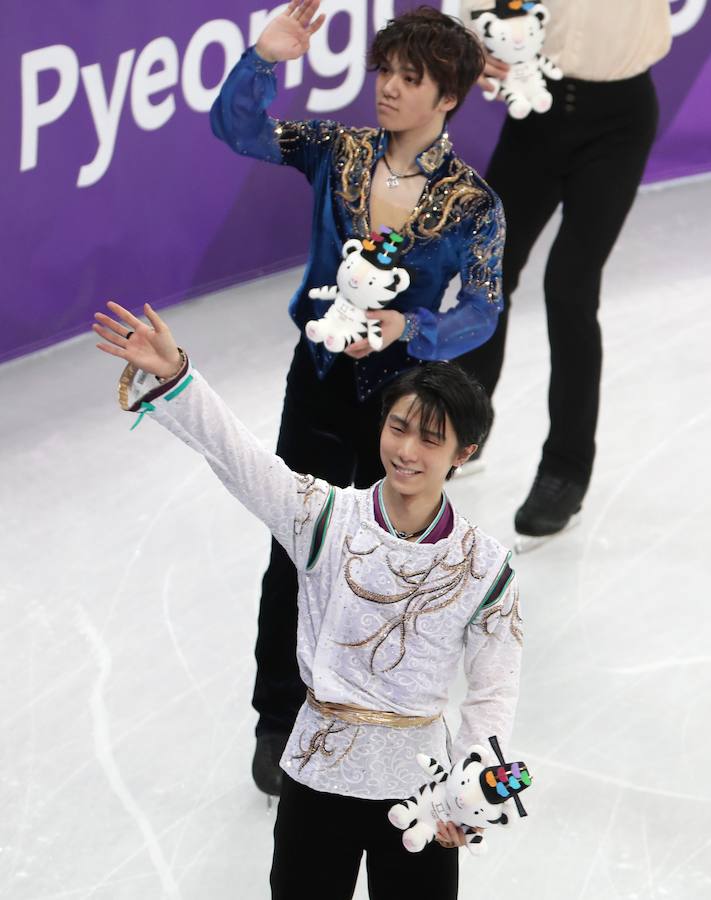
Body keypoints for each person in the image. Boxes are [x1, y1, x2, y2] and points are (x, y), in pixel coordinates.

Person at [92, 300, 523, 900]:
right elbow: (239, 460)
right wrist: (176, 376)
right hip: (318, 771)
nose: (407, 451)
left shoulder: (485, 566)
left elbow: (492, 689)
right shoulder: (325, 517)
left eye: (431, 438)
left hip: (420, 788)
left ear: (463, 453)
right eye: (397, 428)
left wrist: (470, 790)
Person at [210, 0, 506, 792]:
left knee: (387, 563)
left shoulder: (473, 203)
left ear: (447, 97)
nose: (389, 90)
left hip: (399, 407)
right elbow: (237, 130)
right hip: (316, 386)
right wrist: (263, 59)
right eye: (386, 73)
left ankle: (370, 704)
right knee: (292, 548)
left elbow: (481, 309)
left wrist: (409, 328)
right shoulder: (335, 150)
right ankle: (278, 716)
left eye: (412, 79)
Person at [459, 0, 671, 546]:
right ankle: (464, 425)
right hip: (537, 110)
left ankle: (566, 470)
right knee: (488, 268)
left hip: (619, 119)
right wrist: (471, 37)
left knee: (571, 287)